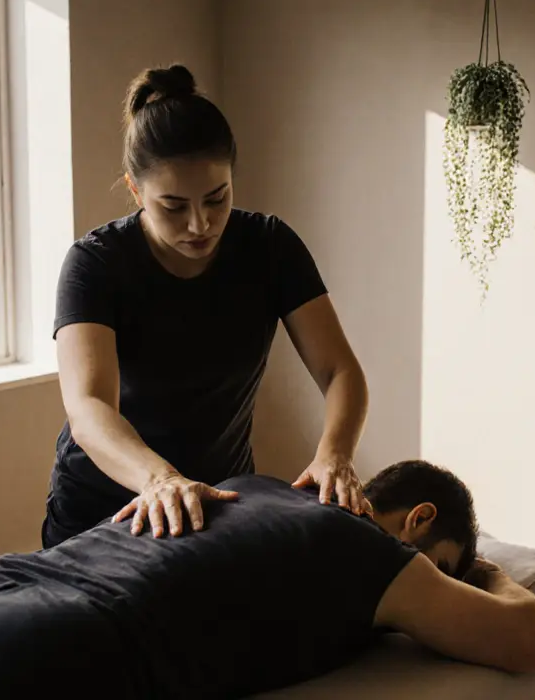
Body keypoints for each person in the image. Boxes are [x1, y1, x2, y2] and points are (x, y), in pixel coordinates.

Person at [0, 461, 535, 700]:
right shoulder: (378, 556)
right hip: (46, 645)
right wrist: (481, 571)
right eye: (441, 563)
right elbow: (528, 642)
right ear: (417, 524)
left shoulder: (255, 483)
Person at [44, 62, 372, 549]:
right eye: (173, 206)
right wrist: (159, 480)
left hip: (220, 504)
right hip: (105, 509)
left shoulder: (270, 246)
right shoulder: (94, 263)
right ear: (135, 190)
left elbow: (340, 370)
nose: (200, 224)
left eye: (217, 198)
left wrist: (335, 455)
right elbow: (89, 406)